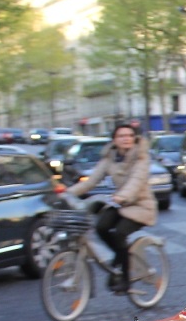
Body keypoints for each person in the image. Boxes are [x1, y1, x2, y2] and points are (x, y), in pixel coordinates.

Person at [67, 123, 158, 292]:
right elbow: (91, 181)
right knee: (101, 226)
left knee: (119, 233)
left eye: (130, 135)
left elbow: (136, 181)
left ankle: (125, 278)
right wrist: (67, 193)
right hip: (121, 203)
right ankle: (120, 258)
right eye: (121, 136)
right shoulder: (109, 158)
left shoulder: (141, 157)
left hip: (141, 206)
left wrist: (122, 196)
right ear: (114, 140)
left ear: (135, 138)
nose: (126, 139)